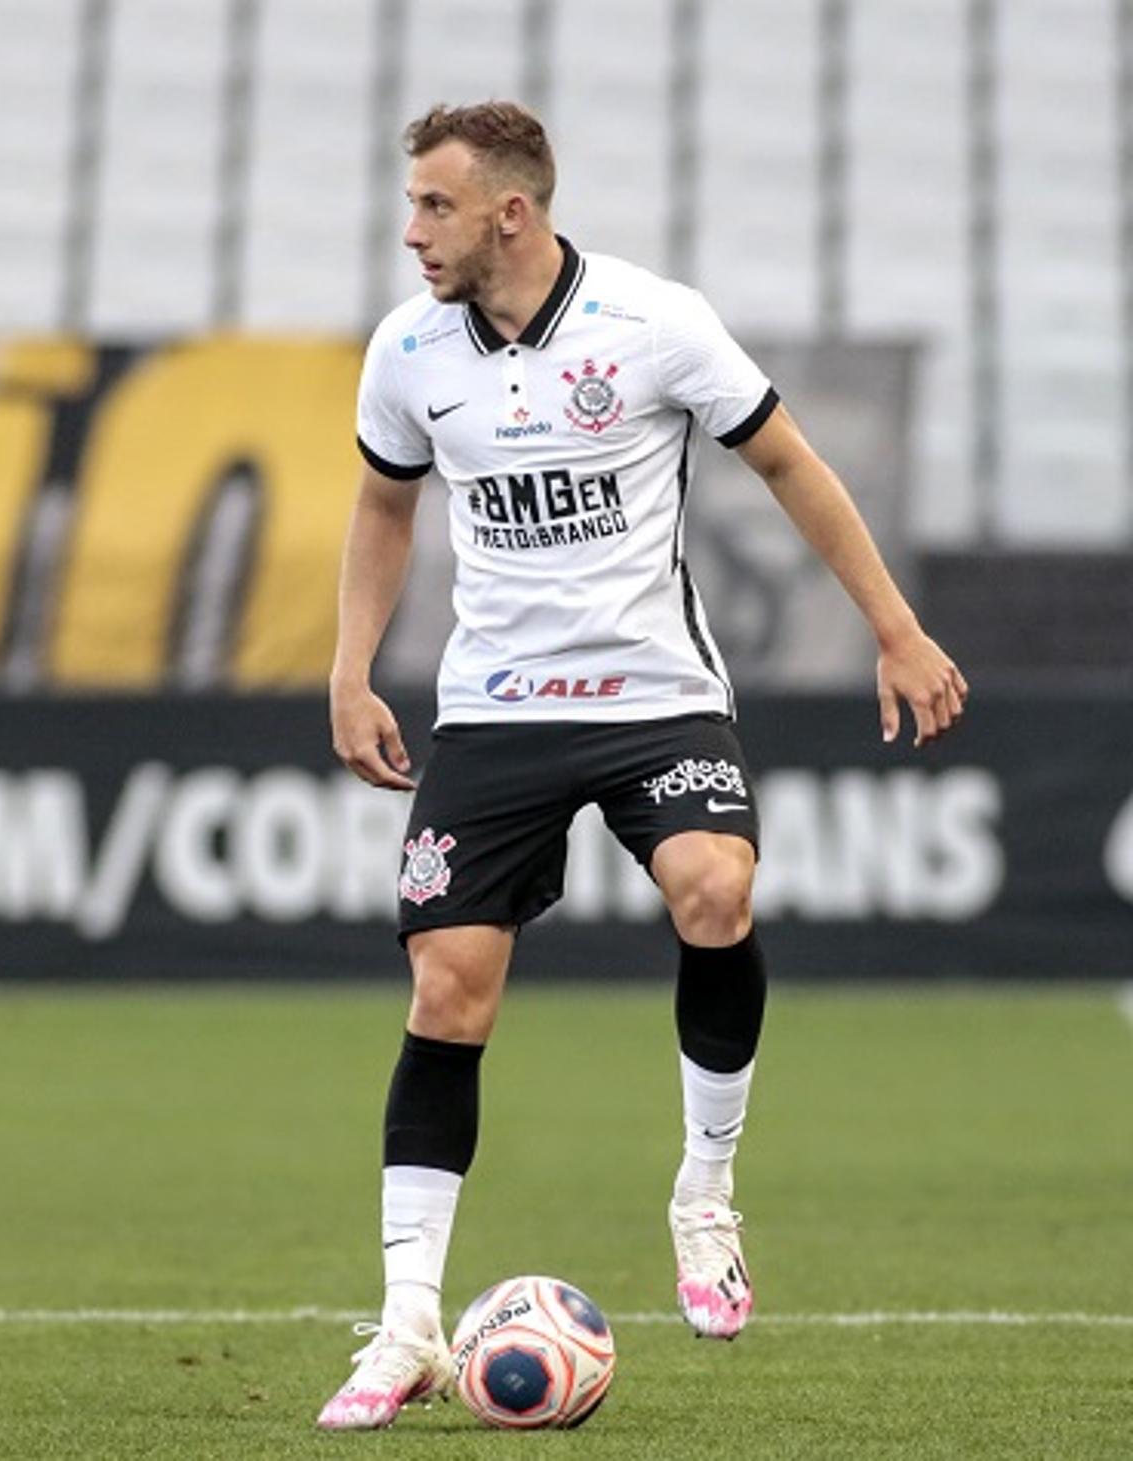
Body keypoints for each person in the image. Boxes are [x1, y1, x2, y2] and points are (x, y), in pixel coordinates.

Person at [315, 100, 967, 1432]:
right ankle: (405, 1327)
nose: (411, 231)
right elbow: (385, 502)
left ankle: (706, 1195)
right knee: (448, 987)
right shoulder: (408, 350)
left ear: (511, 210)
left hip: (654, 695)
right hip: (493, 710)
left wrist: (895, 632)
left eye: (434, 206)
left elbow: (786, 459)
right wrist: (348, 667)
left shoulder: (654, 322)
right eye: (412, 205)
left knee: (715, 889)